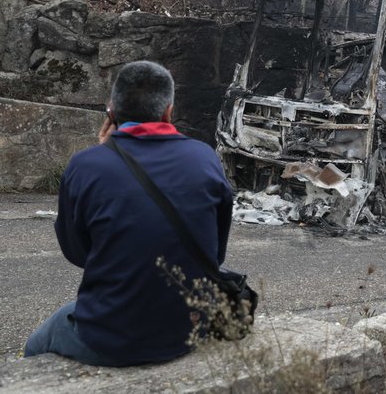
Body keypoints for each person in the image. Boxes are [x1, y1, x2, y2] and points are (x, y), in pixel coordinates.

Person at [24, 60, 234, 366]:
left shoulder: (85, 166)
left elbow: (79, 253)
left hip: (109, 337)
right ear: (168, 112)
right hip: (189, 328)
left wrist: (104, 150)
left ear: (112, 112)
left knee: (36, 345)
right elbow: (215, 252)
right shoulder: (206, 158)